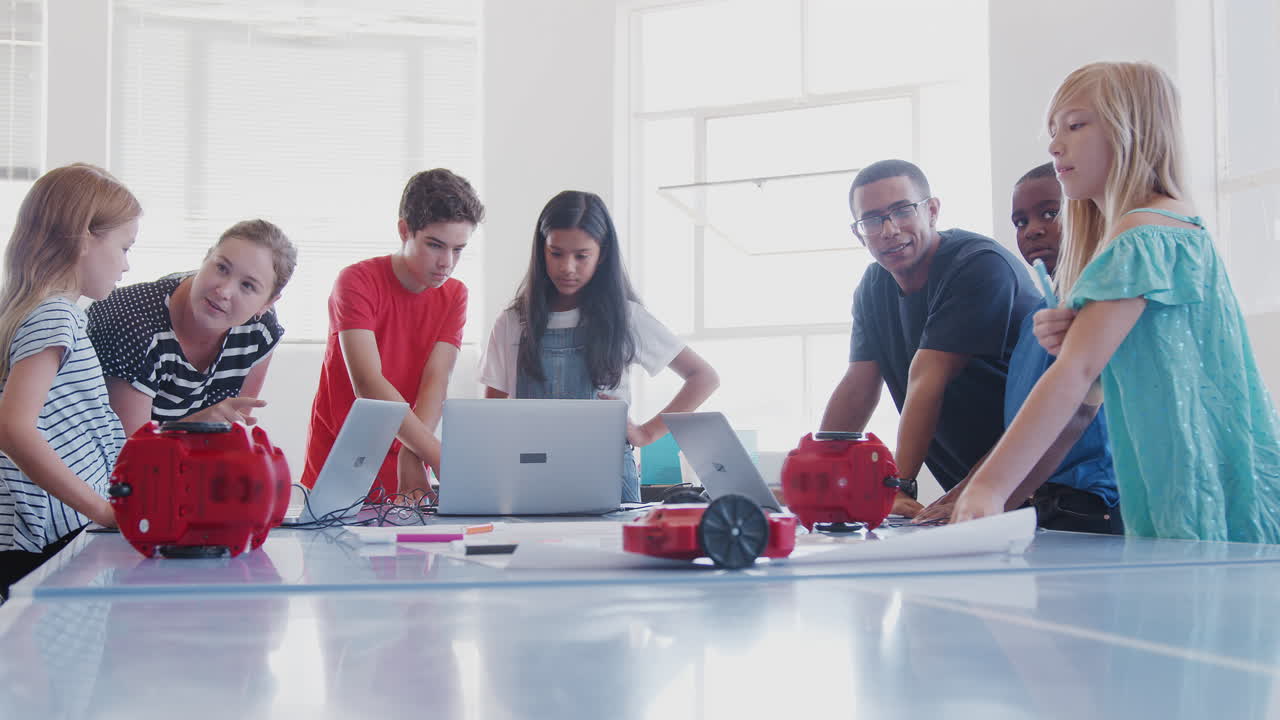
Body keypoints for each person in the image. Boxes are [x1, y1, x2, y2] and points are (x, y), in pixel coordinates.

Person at [953, 61, 1280, 543]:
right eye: (1053, 130)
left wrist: (985, 489)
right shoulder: (1178, 227)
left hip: (1194, 494)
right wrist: (1004, 498)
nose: (1054, 144)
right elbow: (1084, 404)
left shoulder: (1141, 236)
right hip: (1211, 485)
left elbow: (1074, 376)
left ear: (1135, 131)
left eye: (1076, 124)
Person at [821, 159, 1040, 517]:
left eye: (902, 211)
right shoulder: (874, 287)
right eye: (872, 220)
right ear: (858, 232)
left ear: (932, 210)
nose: (889, 230)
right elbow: (858, 388)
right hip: (972, 482)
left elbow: (927, 377)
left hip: (1035, 475)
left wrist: (898, 485)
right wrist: (819, 473)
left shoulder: (978, 265)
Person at [915, 163, 1122, 533]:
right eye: (1020, 221)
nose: (1033, 230)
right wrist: (964, 494)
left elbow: (1070, 424)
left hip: (1092, 507)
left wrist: (989, 505)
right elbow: (1021, 429)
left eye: (1049, 213)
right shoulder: (1037, 318)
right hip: (1043, 504)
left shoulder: (1100, 307)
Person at [479, 190, 719, 503]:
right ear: (541, 250)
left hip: (609, 481)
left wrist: (646, 434)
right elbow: (491, 418)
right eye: (556, 253)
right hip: (530, 479)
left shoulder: (628, 318)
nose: (567, 267)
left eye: (581, 256)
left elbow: (703, 377)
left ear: (602, 254)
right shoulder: (512, 321)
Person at [0, 164, 140, 599]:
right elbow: (12, 428)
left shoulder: (46, 314)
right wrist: (103, 510)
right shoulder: (54, 317)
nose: (126, 264)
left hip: (50, 532)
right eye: (123, 246)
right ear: (84, 239)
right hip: (42, 537)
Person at [303, 169, 484, 500]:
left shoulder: (455, 295)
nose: (447, 262)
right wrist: (434, 453)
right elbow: (368, 383)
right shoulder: (356, 281)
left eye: (458, 249)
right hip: (342, 455)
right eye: (435, 245)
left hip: (409, 450)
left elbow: (436, 380)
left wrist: (413, 452)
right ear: (404, 230)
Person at [87, 219, 296, 436]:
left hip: (185, 463)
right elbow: (127, 454)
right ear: (206, 257)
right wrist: (195, 425)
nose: (224, 291)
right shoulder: (130, 323)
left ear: (266, 304)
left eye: (247, 285)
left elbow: (234, 433)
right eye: (222, 268)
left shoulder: (260, 330)